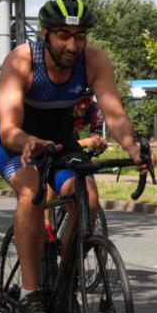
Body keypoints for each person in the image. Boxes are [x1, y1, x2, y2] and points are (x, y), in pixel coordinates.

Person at [0, 0, 152, 313]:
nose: (72, 45)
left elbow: (114, 113)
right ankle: (30, 293)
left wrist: (132, 147)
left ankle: (65, 279)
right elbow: (8, 128)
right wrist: (28, 141)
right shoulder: (22, 60)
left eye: (80, 37)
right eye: (63, 35)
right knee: (31, 192)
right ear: (45, 34)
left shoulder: (93, 60)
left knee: (87, 198)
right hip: (17, 142)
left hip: (60, 140)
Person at [43, 88, 107, 243]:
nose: (84, 106)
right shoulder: (61, 109)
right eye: (80, 101)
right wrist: (85, 142)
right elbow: (57, 145)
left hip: (72, 139)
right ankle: (46, 222)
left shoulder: (95, 110)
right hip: (54, 141)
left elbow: (95, 134)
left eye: (87, 101)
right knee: (53, 168)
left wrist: (98, 143)